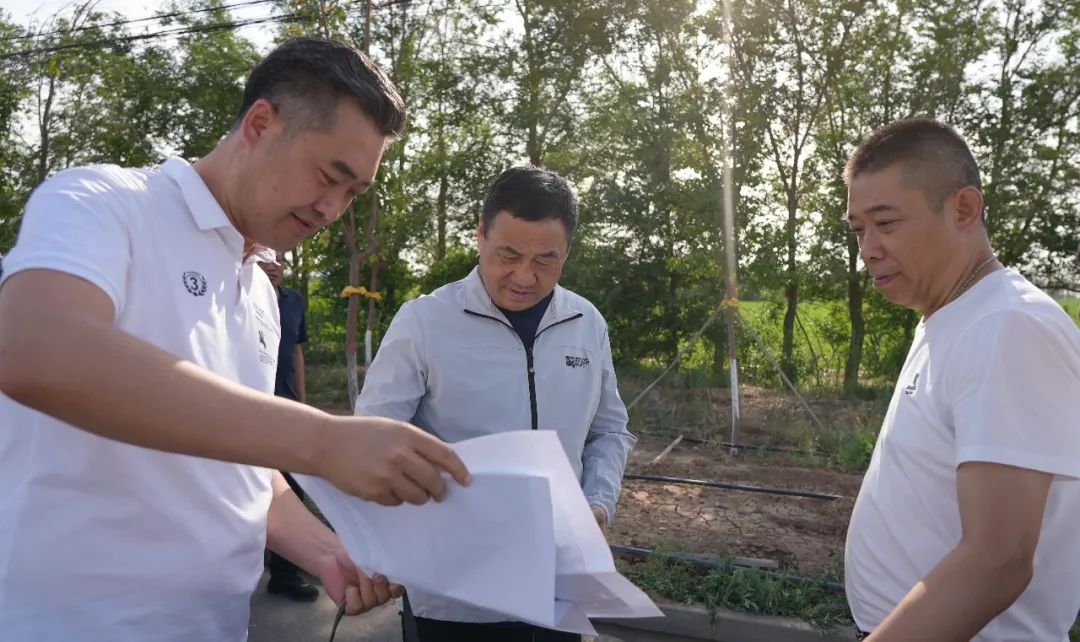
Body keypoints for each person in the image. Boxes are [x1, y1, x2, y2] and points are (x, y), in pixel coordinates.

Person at [0, 37, 470, 642]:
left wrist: (329, 551)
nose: (333, 209)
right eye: (330, 176)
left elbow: (241, 468)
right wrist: (323, 440)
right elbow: (36, 347)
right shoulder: (105, 203)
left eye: (353, 193)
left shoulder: (259, 291)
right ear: (260, 124)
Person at [355, 165, 637, 642]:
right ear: (481, 234)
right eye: (509, 254)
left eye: (546, 260)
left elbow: (609, 430)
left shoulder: (586, 323)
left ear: (567, 251)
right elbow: (371, 439)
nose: (524, 277)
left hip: (557, 583)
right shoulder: (425, 322)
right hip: (454, 593)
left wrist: (597, 503)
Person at [842, 117, 1080, 641]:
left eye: (886, 223)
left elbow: (998, 558)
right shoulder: (954, 317)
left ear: (964, 209)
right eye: (858, 229)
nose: (868, 249)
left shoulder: (1008, 327)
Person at [258, 252, 319, 601]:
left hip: (286, 406)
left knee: (291, 487)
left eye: (278, 258)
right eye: (265, 256)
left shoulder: (293, 300)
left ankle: (284, 575)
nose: (272, 264)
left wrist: (302, 403)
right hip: (246, 409)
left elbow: (296, 351)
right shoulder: (236, 295)